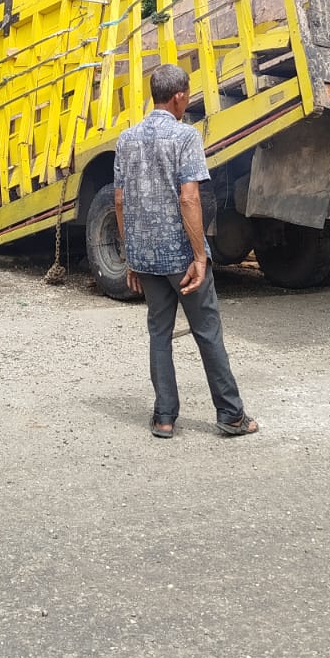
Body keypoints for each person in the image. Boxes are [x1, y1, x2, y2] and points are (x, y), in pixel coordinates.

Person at [114, 63, 257, 440]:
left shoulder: (126, 139)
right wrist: (199, 256)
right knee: (207, 332)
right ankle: (231, 415)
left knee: (159, 333)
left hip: (146, 258)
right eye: (188, 95)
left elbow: (120, 200)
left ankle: (164, 417)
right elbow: (190, 198)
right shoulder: (185, 136)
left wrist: (131, 256)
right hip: (181, 257)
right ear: (178, 97)